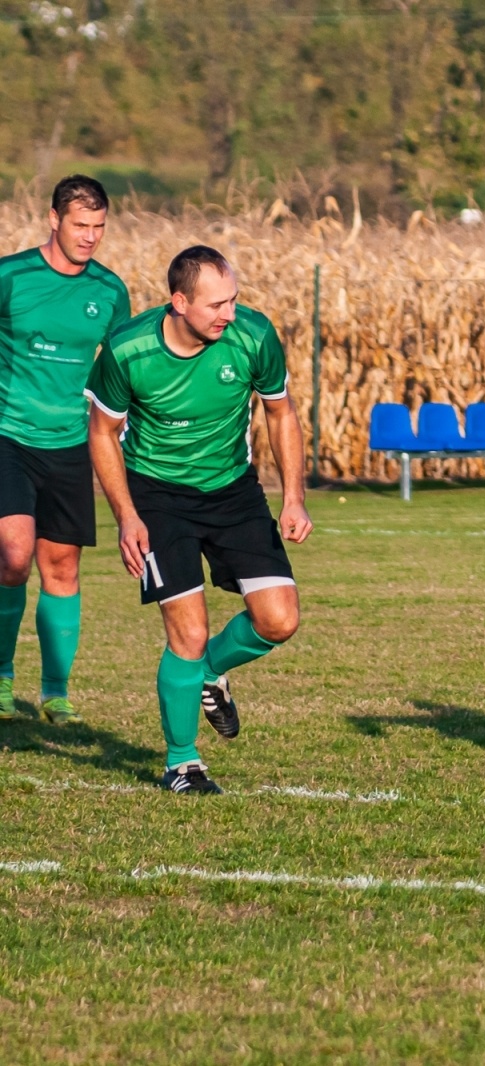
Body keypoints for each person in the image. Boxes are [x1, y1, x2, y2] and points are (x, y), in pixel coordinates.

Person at [86, 246, 311, 795]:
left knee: (279, 621)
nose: (229, 313)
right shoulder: (127, 348)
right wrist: (127, 517)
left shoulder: (252, 335)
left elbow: (280, 413)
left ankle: (210, 672)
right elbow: (101, 434)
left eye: (233, 299)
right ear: (178, 301)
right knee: (186, 633)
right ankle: (182, 764)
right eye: (216, 304)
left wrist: (294, 497)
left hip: (233, 490)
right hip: (157, 496)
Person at [0, 176, 131, 725]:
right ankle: (2, 681)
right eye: (81, 225)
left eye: (99, 227)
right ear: (53, 219)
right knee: (13, 555)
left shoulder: (109, 290)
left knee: (62, 568)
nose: (90, 236)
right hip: (7, 434)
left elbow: (122, 375)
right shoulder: (10, 277)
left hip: (70, 444)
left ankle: (56, 694)